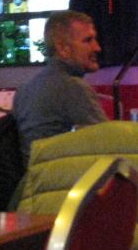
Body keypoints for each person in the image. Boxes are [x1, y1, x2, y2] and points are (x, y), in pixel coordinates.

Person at [12, 10, 108, 160]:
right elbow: (108, 143)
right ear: (63, 49)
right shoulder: (73, 87)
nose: (97, 47)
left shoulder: (24, 89)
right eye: (88, 40)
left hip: (34, 173)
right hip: (63, 174)